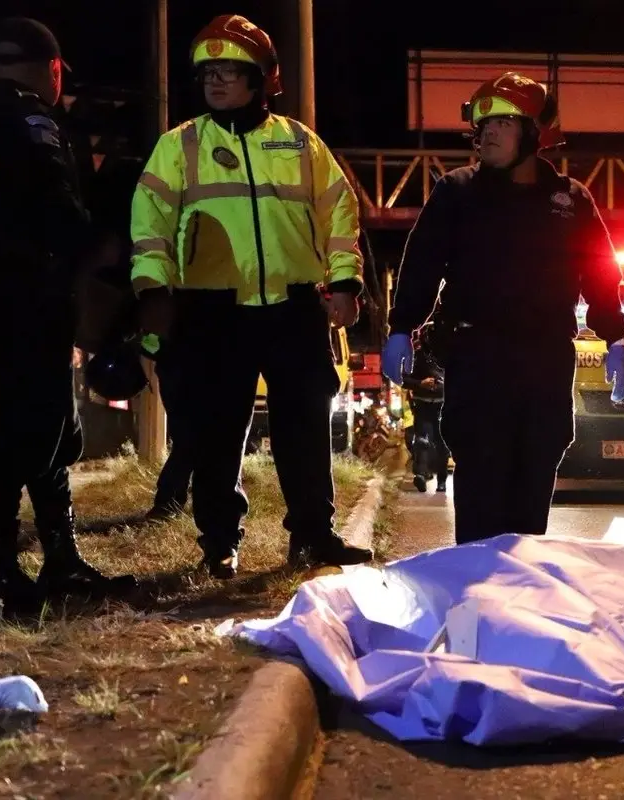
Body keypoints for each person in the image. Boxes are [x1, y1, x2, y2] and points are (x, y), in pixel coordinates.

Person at [130, 14, 371, 578]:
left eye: (230, 72)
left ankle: (313, 535)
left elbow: (339, 213)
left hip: (292, 306)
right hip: (211, 309)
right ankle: (219, 543)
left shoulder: (299, 142)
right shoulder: (178, 145)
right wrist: (155, 294)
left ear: (263, 79)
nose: (215, 82)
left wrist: (344, 282)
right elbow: (150, 224)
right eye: (208, 72)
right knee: (215, 432)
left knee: (306, 425)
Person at [382, 72, 624, 545]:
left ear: (534, 135)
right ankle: (477, 598)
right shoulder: (457, 192)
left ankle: (521, 596)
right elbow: (422, 263)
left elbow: (600, 273)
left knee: (535, 474)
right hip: (478, 357)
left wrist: (615, 334)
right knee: (481, 476)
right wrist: (402, 326)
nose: (487, 133)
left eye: (503, 123)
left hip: (545, 361)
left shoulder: (570, 200)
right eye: (483, 124)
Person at [0, 17, 135, 616]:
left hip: (6, 298)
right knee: (26, 434)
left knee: (50, 429)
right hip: (29, 299)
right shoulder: (32, 119)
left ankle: (58, 561)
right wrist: (102, 245)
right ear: (53, 70)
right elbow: (57, 205)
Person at [142, 333, 192, 521]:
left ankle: (168, 503)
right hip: (181, 367)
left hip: (175, 365)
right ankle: (167, 503)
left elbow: (148, 342)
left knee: (187, 441)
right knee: (188, 441)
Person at [403, 316, 450, 493]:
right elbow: (403, 378)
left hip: (442, 406)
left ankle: (442, 480)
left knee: (442, 444)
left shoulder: (450, 354)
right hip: (422, 404)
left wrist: (441, 385)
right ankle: (420, 475)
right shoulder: (416, 356)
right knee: (421, 440)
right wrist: (420, 384)